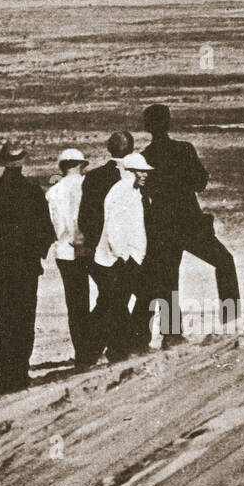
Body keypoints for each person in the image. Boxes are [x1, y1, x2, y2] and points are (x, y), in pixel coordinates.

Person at [141, 104, 239, 342]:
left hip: (162, 224)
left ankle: (172, 333)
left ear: (147, 127)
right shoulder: (184, 149)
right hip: (189, 220)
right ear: (169, 123)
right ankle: (232, 319)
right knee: (224, 260)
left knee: (167, 279)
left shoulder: (145, 156)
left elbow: (144, 194)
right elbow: (199, 182)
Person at [0, 141, 57, 392]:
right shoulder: (33, 191)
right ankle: (20, 372)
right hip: (27, 265)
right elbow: (47, 231)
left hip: (2, 266)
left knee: (5, 318)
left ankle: (7, 376)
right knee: (25, 318)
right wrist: (36, 253)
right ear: (22, 162)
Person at [77, 132, 134, 362]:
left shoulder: (94, 177)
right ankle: (103, 348)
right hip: (127, 248)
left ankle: (101, 349)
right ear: (131, 149)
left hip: (100, 249)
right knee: (115, 297)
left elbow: (85, 217)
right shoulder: (136, 176)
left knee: (111, 296)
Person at [94, 152, 154, 357]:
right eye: (141, 171)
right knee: (123, 301)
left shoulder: (134, 191)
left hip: (128, 257)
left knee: (117, 302)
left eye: (146, 171)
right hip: (119, 258)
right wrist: (123, 256)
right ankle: (124, 346)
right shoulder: (122, 191)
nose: (145, 175)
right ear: (129, 172)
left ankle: (118, 346)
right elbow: (114, 226)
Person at [46, 147, 95, 366]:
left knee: (76, 305)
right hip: (91, 249)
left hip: (65, 252)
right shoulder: (88, 187)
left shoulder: (53, 192)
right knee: (111, 294)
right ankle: (99, 341)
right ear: (80, 165)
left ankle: (83, 354)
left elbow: (53, 226)